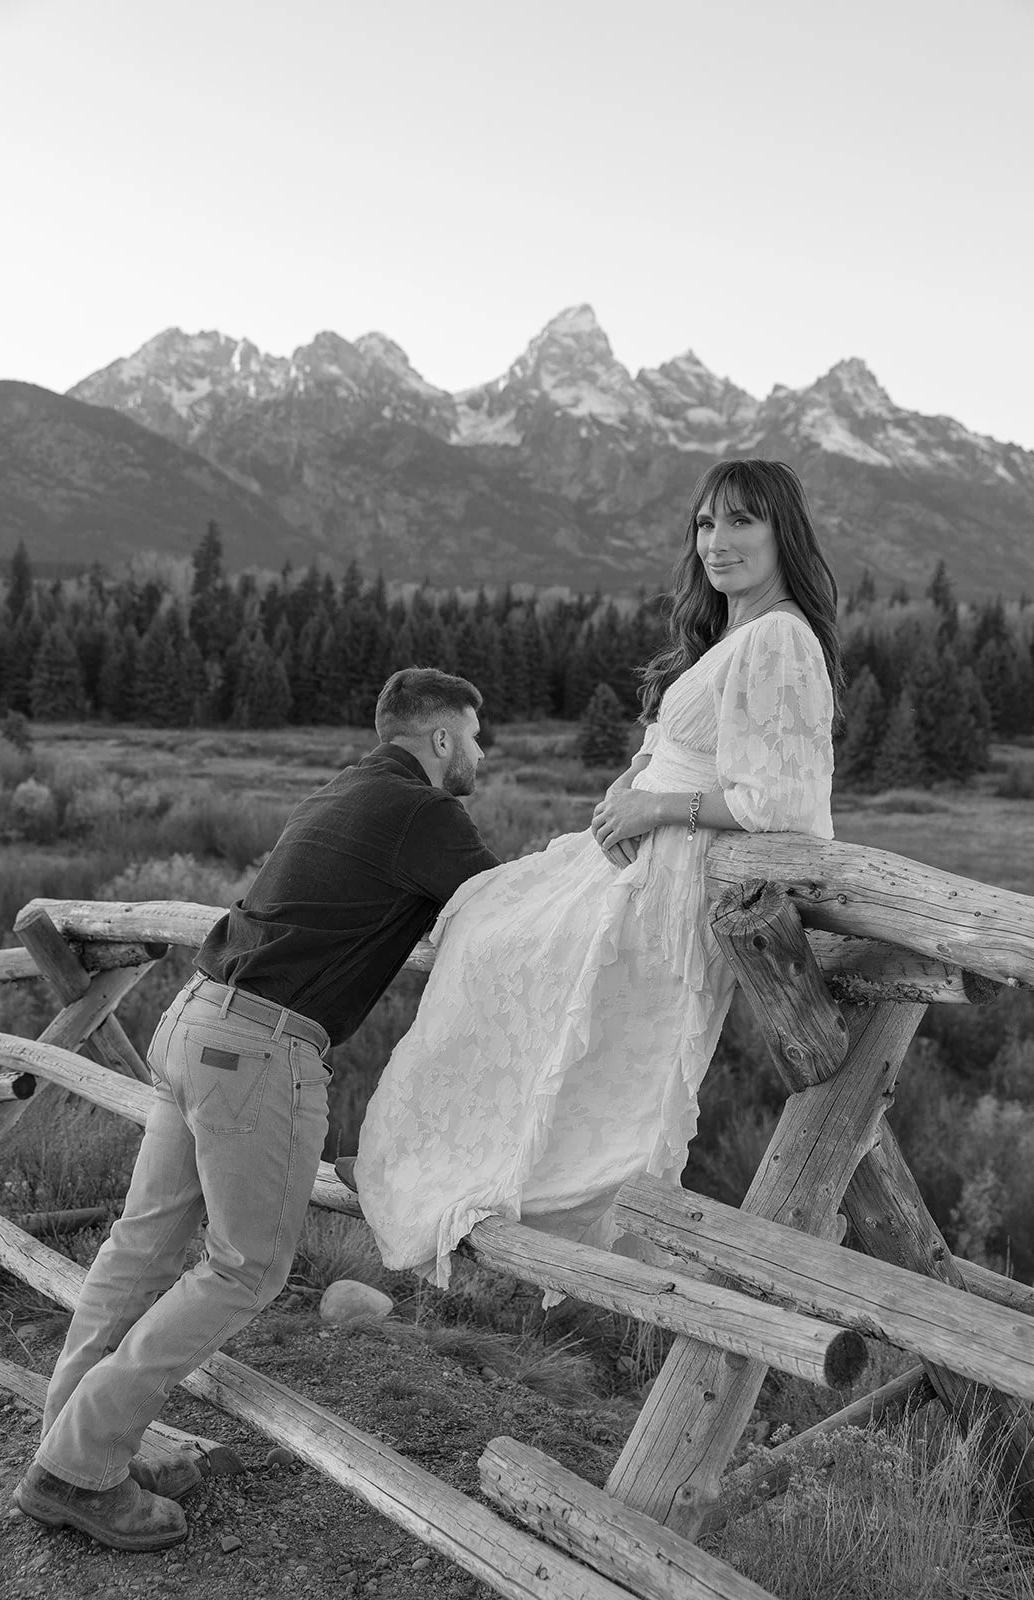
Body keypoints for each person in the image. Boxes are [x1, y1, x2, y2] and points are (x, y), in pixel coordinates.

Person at [16, 668, 499, 1552]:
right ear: (438, 738)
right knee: (246, 1268)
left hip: (195, 1018)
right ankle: (77, 1468)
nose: (481, 753)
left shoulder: (344, 788)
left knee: (141, 1245)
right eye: (474, 736)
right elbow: (510, 910)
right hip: (259, 1052)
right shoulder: (426, 814)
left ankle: (73, 1440)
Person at [355, 458, 843, 1289]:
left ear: (780, 533)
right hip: (631, 852)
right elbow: (668, 754)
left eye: (739, 523)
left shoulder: (781, 639)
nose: (716, 543)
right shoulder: (733, 636)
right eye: (704, 525)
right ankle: (468, 1161)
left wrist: (658, 811)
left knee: (525, 968)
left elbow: (782, 798)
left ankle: (529, 1190)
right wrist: (625, 789)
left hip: (671, 876)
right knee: (487, 929)